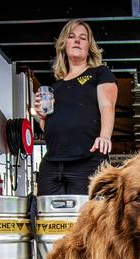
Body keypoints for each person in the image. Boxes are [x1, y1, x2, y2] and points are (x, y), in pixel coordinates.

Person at [33, 19, 118, 196]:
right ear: (64, 44)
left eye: (83, 38)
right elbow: (48, 128)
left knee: (88, 218)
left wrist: (105, 137)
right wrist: (41, 116)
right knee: (48, 217)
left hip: (87, 159)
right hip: (53, 162)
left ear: (89, 46)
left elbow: (107, 106)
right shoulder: (55, 87)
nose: (77, 40)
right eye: (71, 37)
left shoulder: (99, 73)